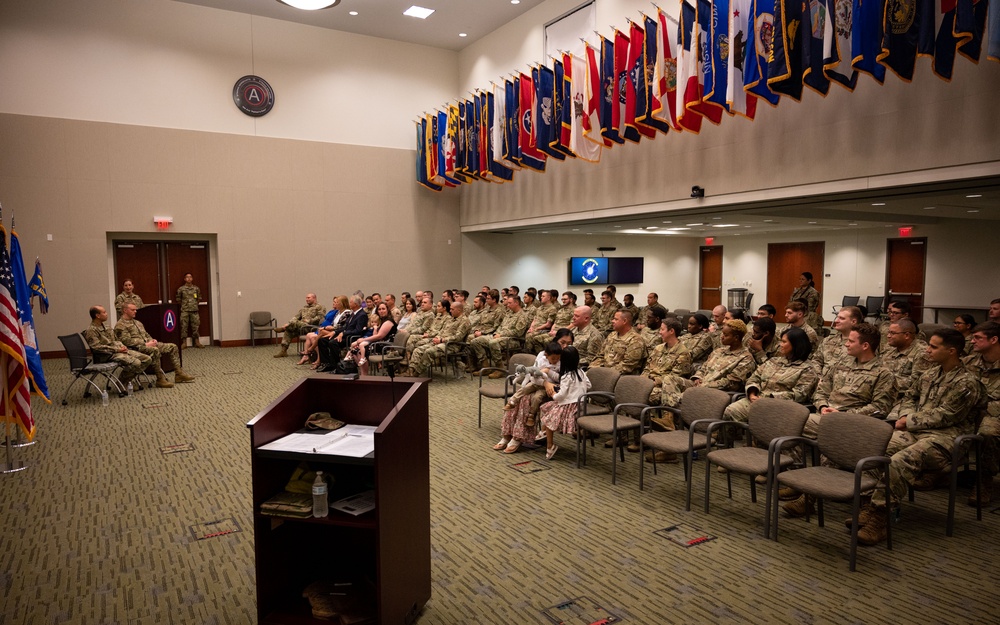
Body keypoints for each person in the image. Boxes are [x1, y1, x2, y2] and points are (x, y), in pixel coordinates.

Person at [856, 329, 984, 546]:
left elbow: (948, 414)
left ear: (951, 351)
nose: (927, 350)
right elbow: (909, 396)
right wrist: (905, 415)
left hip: (946, 440)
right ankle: (868, 504)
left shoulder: (967, 382)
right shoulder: (930, 374)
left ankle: (880, 517)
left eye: (934, 347)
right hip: (916, 432)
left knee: (899, 460)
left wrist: (910, 421)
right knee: (875, 449)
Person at [724, 327, 819, 423]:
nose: (780, 345)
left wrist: (768, 399)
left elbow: (799, 394)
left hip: (779, 406)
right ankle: (733, 437)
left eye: (784, 342)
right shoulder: (774, 360)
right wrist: (752, 393)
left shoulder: (807, 369)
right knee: (729, 411)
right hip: (756, 400)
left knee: (760, 422)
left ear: (796, 345)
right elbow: (754, 377)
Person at [660, 319, 756, 409]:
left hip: (715, 391)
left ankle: (671, 414)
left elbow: (731, 383)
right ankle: (671, 415)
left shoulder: (745, 358)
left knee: (682, 395)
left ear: (736, 338)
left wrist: (706, 385)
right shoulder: (718, 351)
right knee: (669, 379)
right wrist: (698, 377)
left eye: (726, 335)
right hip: (700, 384)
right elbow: (704, 367)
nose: (721, 337)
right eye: (722, 333)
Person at [639, 317, 693, 448]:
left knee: (643, 398)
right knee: (634, 392)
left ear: (672, 331)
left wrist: (654, 381)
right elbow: (647, 368)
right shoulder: (658, 348)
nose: (660, 332)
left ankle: (664, 426)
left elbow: (675, 377)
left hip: (666, 387)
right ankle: (641, 437)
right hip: (650, 383)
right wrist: (642, 381)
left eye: (662, 329)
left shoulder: (683, 352)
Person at [115, 303, 194, 387]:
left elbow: (146, 334)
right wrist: (145, 344)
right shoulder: (120, 325)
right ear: (125, 310)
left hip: (147, 344)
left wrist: (152, 340)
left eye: (135, 309)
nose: (135, 311)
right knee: (155, 350)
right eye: (133, 310)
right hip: (135, 348)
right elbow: (126, 341)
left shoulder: (137, 322)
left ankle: (179, 374)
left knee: (173, 347)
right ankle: (160, 379)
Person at [964, 322, 1000, 505]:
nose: (972, 340)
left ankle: (984, 480)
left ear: (994, 340)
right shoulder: (969, 362)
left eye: (978, 337)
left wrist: (984, 407)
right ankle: (938, 471)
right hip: (969, 408)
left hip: (994, 413)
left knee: (988, 432)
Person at [537, 346, 591, 461]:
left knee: (548, 419)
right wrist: (578, 390)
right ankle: (543, 432)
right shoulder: (581, 372)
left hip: (569, 406)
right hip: (580, 403)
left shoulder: (567, 376)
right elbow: (589, 385)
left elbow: (561, 396)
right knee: (547, 408)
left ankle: (550, 445)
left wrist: (552, 394)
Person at [84, 305, 152, 391]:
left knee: (147, 359)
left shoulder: (106, 326)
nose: (106, 314)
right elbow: (97, 347)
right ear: (97, 315)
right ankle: (123, 382)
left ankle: (125, 381)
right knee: (136, 363)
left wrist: (121, 346)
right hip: (107, 355)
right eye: (104, 312)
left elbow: (116, 339)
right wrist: (117, 349)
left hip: (119, 351)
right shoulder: (91, 330)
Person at [881, 318, 933, 419]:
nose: (888, 336)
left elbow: (917, 382)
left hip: (905, 398)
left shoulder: (922, 353)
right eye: (888, 332)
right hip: (885, 394)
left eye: (892, 333)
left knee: (890, 419)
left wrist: (885, 384)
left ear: (907, 335)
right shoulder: (890, 350)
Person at [502, 340, 563, 424]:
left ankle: (531, 415)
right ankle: (512, 401)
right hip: (536, 382)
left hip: (546, 387)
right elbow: (533, 374)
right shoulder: (541, 360)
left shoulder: (559, 364)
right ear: (546, 355)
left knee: (537, 397)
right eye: (553, 358)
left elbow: (559, 378)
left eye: (558, 358)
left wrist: (549, 371)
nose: (556, 360)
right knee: (525, 389)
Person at [406, 301, 472, 378]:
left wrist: (441, 340)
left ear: (459, 310)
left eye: (452, 309)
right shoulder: (451, 319)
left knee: (429, 352)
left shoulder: (464, 321)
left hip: (452, 345)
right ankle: (410, 371)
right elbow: (442, 331)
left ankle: (416, 373)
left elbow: (457, 337)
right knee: (418, 350)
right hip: (440, 341)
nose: (450, 311)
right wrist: (437, 337)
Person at [472, 295, 530, 377]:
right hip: (500, 336)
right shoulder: (509, 313)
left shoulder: (523, 315)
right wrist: (497, 333)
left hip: (513, 340)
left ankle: (500, 368)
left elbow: (518, 332)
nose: (507, 305)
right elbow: (501, 326)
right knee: (476, 341)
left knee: (493, 342)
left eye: (510, 303)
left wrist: (501, 335)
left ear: (516, 303)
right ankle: (485, 366)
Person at [316, 295, 367, 372]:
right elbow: (345, 327)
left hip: (352, 337)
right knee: (322, 340)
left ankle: (336, 366)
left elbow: (358, 330)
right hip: (345, 335)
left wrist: (344, 333)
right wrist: (335, 332)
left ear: (356, 304)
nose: (349, 304)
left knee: (333, 343)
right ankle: (327, 363)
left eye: (351, 302)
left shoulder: (362, 315)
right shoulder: (353, 313)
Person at [589, 310, 646, 375]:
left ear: (624, 321)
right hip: (604, 373)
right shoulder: (612, 335)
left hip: (622, 377)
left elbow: (627, 365)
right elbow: (600, 355)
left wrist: (605, 373)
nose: (612, 321)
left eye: (616, 319)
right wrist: (592, 368)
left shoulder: (636, 340)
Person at [347, 302, 397, 376]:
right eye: (379, 309)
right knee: (355, 348)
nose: (381, 311)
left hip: (385, 345)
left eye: (383, 309)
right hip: (377, 343)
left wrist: (363, 340)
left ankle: (364, 374)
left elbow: (379, 336)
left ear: (387, 310)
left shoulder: (388, 321)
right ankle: (362, 372)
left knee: (361, 349)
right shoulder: (380, 320)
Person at [300, 295, 348, 366]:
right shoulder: (338, 312)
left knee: (319, 335)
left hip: (339, 333)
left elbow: (342, 326)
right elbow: (333, 323)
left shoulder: (347, 313)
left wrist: (328, 328)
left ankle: (311, 351)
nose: (335, 303)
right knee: (319, 338)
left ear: (342, 304)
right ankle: (320, 360)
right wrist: (327, 327)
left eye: (337, 302)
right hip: (332, 330)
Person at [274, 293, 327, 358]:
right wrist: (290, 322)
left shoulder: (320, 307)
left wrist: (309, 321)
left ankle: (284, 328)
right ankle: (283, 351)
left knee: (296, 324)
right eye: (306, 298)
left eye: (308, 298)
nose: (307, 299)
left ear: (314, 298)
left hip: (310, 327)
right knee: (288, 331)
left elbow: (320, 317)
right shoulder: (304, 308)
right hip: (300, 327)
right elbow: (296, 317)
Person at [814, 306, 863, 374]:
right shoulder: (828, 340)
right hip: (822, 382)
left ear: (853, 321)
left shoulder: (861, 344)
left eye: (842, 318)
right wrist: (818, 377)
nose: (836, 320)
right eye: (837, 317)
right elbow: (816, 361)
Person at [176, 273, 203, 348]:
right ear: (184, 279)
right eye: (187, 277)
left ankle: (197, 342)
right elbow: (178, 299)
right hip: (185, 311)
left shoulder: (196, 288)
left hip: (194, 310)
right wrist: (185, 305)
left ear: (192, 278)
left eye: (190, 277)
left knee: (196, 326)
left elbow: (198, 298)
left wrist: (193, 305)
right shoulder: (181, 289)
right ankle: (184, 343)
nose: (189, 278)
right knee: (184, 326)